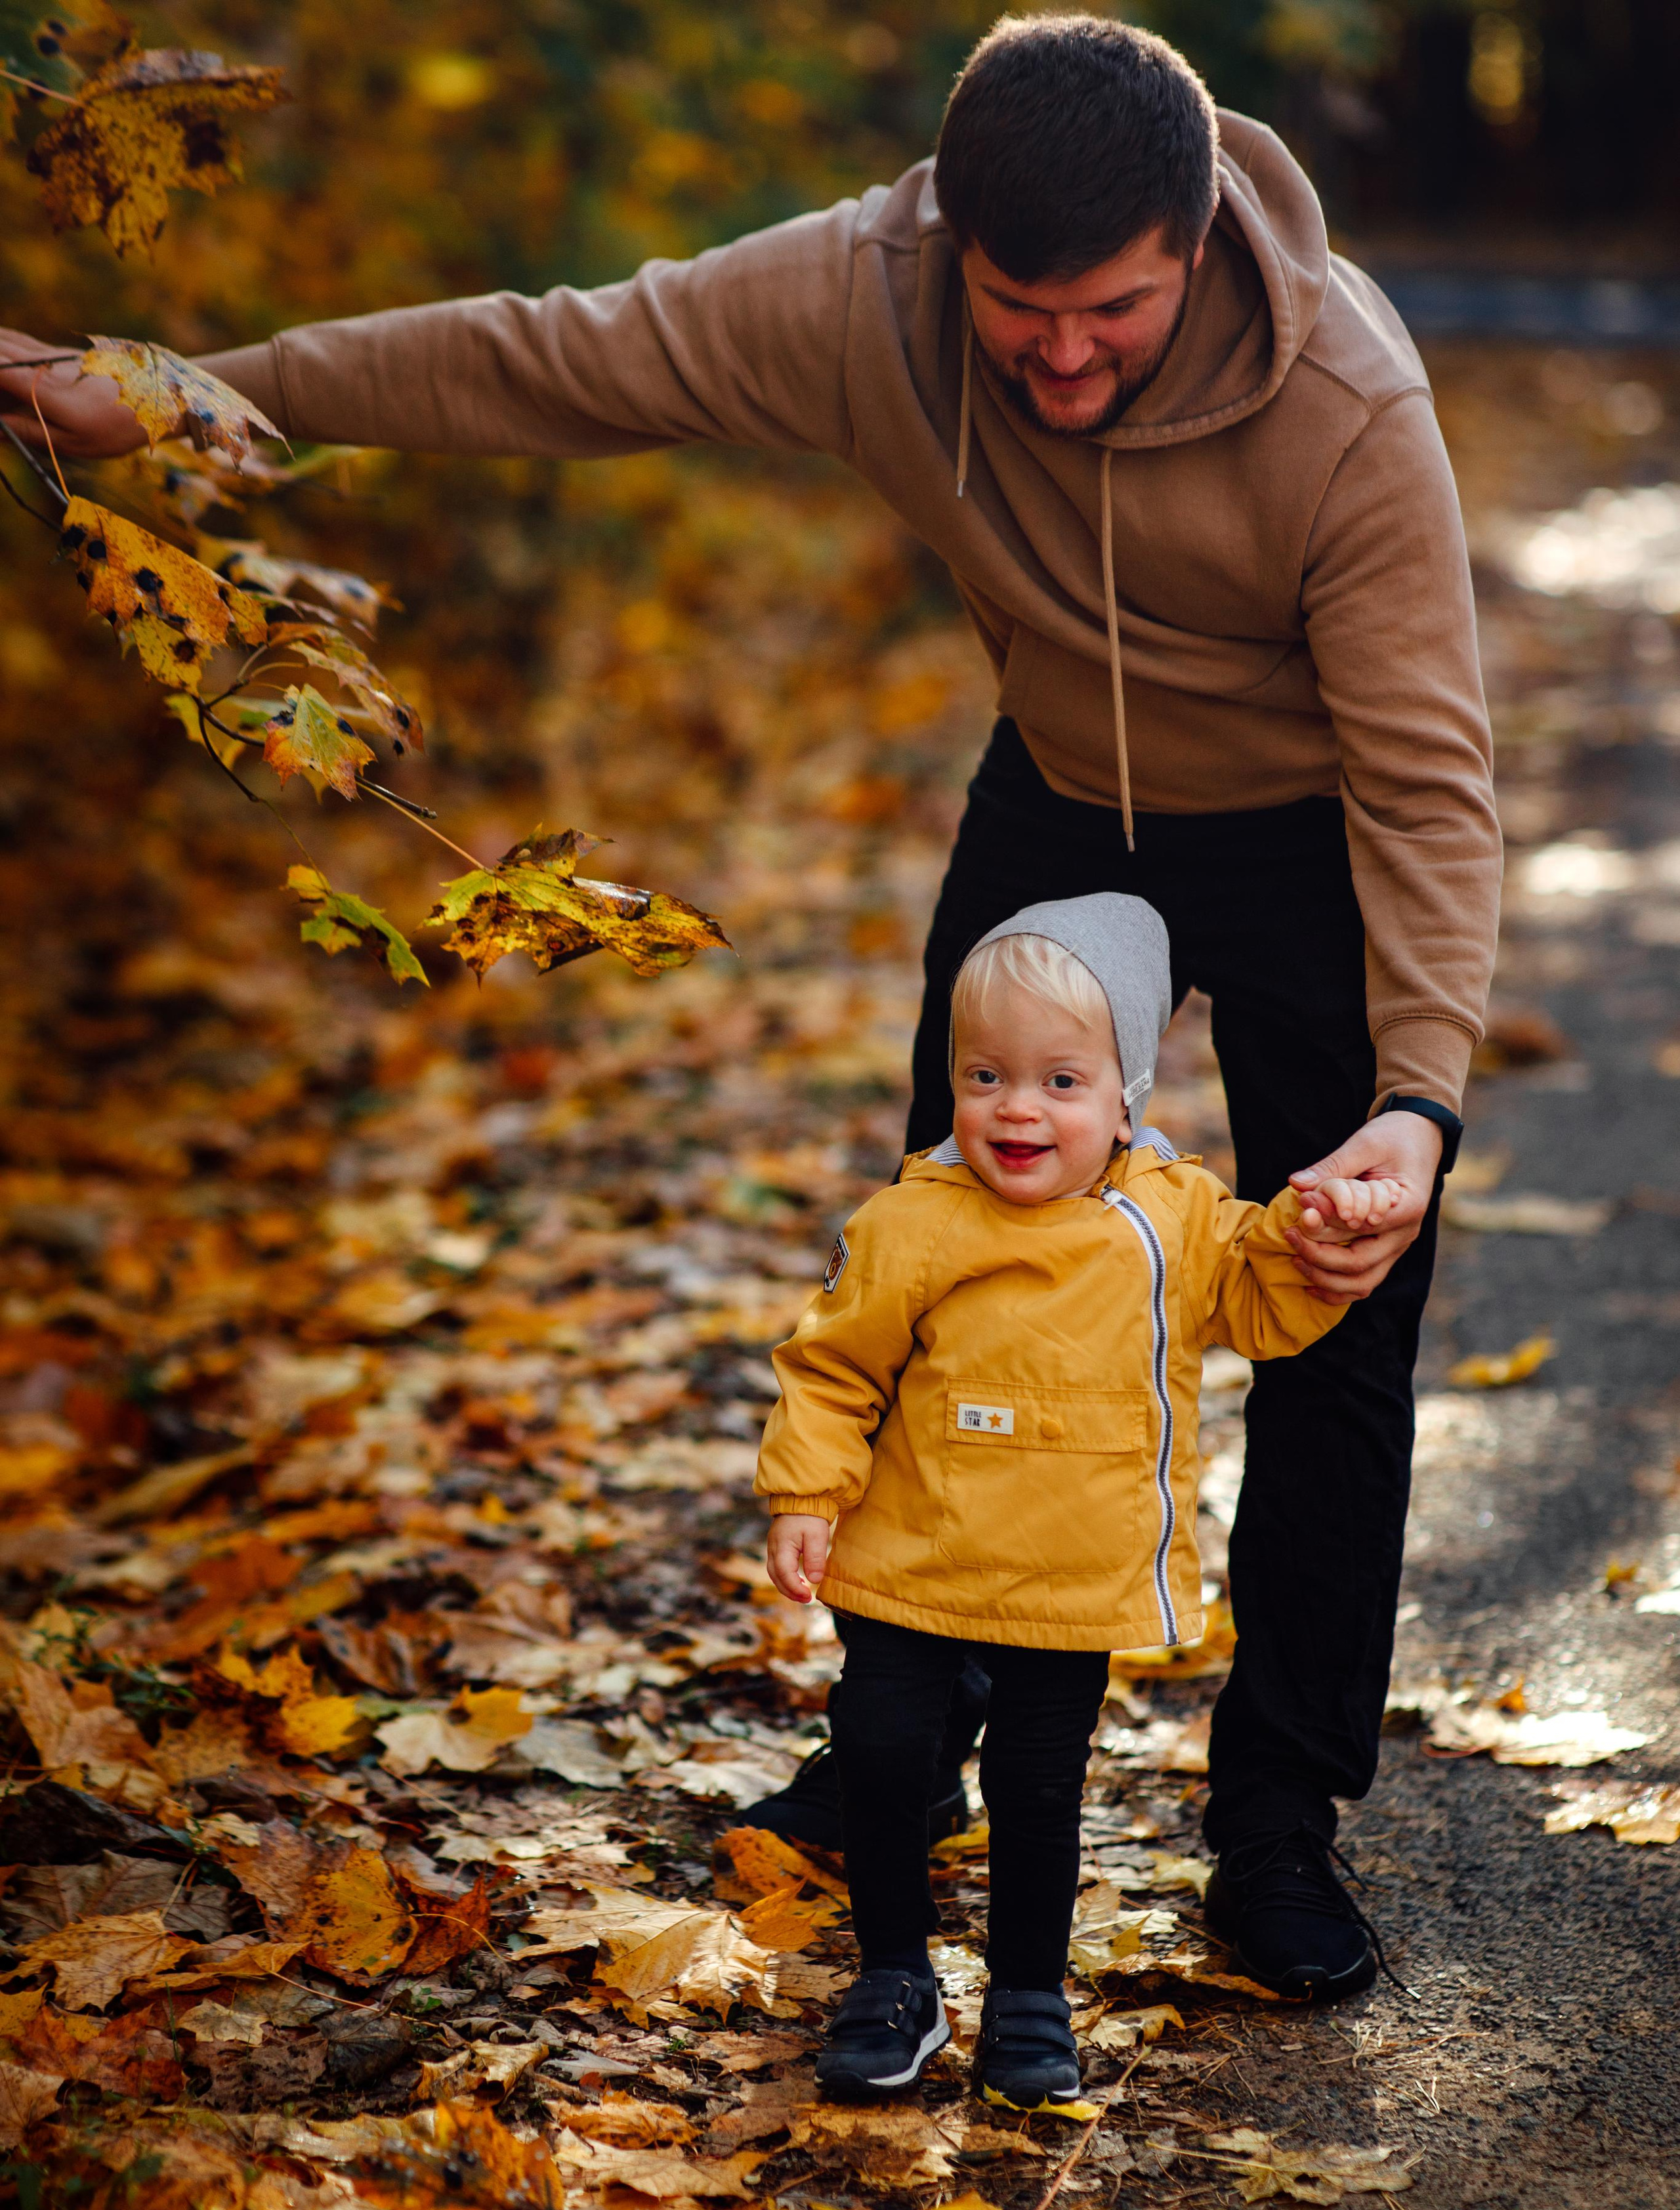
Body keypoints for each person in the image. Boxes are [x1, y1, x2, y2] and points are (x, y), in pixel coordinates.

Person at [0, 16, 1500, 1991]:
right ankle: (906, 1750)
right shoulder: (866, 295)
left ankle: (1277, 1828)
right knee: (943, 1254)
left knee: (1338, 1304)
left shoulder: (1347, 399)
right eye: (1018, 309)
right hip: (1062, 799)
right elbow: (547, 355)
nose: (1060, 359)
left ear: (1199, 238)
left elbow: (1425, 776)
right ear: (951, 242)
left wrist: (1419, 1103)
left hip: (1313, 825)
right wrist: (187, 399)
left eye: (1113, 313)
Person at [758, 893, 1395, 2101]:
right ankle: (894, 1976)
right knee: (885, 1757)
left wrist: (1318, 1236)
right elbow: (830, 1366)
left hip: (1071, 1576)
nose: (1017, 1108)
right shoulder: (910, 1224)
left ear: (1126, 1094)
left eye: (1061, 1081)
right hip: (909, 1560)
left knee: (1040, 1788)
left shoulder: (1177, 1220)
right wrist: (805, 1490)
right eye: (986, 1074)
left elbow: (1265, 1311)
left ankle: (1029, 1995)